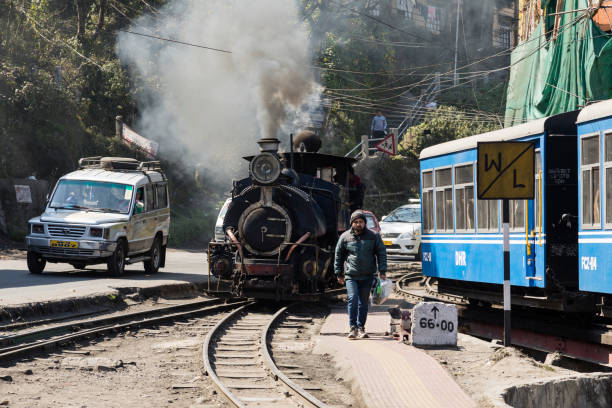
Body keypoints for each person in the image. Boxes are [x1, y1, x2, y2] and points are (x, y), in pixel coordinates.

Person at [334, 210, 387, 339]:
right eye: (356, 222)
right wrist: (338, 273)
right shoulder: (345, 237)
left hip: (368, 276)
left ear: (365, 223)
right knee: (353, 299)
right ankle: (352, 327)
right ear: (352, 223)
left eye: (361, 222)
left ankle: (361, 327)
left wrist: (383, 271)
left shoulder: (373, 236)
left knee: (363, 302)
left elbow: (381, 253)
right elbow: (338, 256)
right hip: (351, 276)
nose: (359, 224)